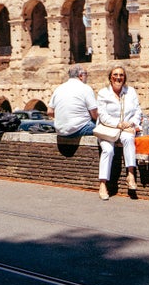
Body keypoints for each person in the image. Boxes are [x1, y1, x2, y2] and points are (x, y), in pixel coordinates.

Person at [95, 66, 142, 200]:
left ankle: (130, 174)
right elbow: (103, 116)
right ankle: (103, 184)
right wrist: (119, 124)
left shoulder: (130, 92)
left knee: (128, 139)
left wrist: (131, 123)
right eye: (115, 74)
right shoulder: (103, 93)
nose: (118, 77)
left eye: (121, 75)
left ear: (124, 78)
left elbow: (137, 111)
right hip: (108, 128)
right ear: (110, 77)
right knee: (108, 150)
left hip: (125, 128)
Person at [48, 66, 99, 137]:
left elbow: (50, 112)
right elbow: (95, 115)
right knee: (106, 127)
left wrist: (65, 118)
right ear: (80, 76)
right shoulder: (85, 88)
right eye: (86, 74)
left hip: (60, 131)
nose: (87, 77)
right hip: (78, 129)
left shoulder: (59, 88)